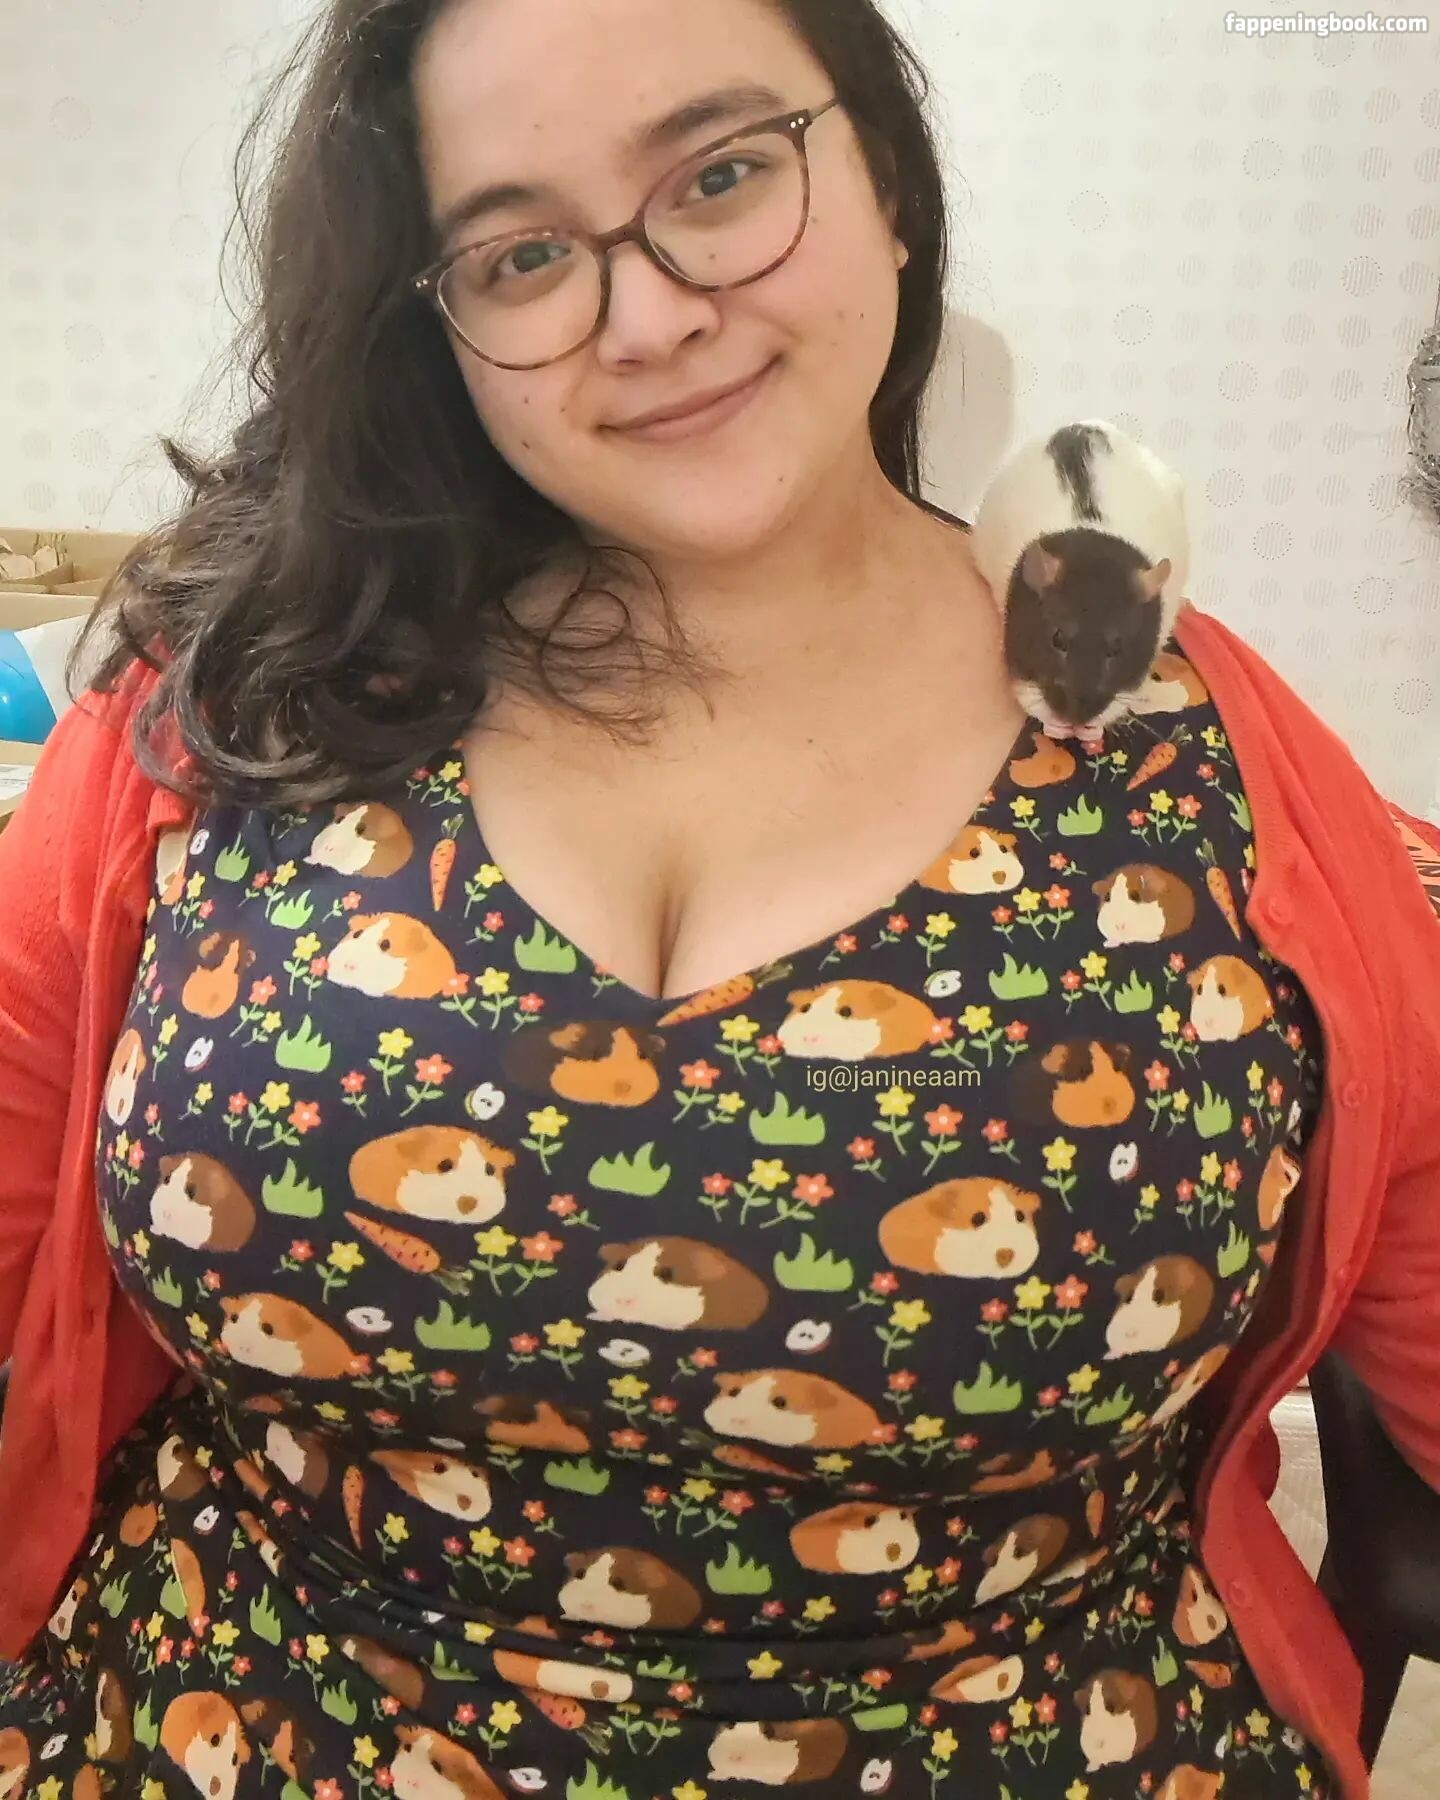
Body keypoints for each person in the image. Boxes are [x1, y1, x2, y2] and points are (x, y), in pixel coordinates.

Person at [0, 1, 1438, 1796]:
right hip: (226, 1719)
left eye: (724, 175)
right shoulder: (237, 704)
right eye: (522, 255)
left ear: (886, 179)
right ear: (435, 328)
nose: (652, 312)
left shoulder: (1212, 770)